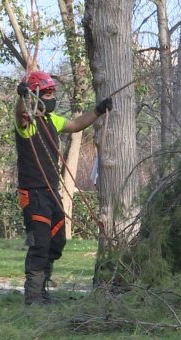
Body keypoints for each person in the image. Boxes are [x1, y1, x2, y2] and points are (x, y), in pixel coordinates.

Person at [14, 71, 112, 305]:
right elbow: (19, 116)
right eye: (47, 93)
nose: (51, 97)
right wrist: (20, 99)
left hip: (51, 193)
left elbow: (77, 124)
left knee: (57, 241)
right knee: (39, 244)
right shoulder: (27, 122)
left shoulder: (52, 120)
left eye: (52, 93)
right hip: (33, 194)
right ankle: (33, 296)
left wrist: (98, 111)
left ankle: (42, 290)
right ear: (35, 95)